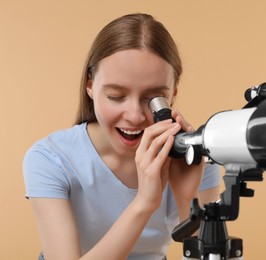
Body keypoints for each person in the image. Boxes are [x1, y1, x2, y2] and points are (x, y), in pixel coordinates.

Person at [23, 13, 221, 260]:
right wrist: (144, 203)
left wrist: (186, 199)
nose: (135, 115)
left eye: (153, 99)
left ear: (173, 93)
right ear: (90, 86)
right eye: (116, 96)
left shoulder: (194, 157)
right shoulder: (50, 158)